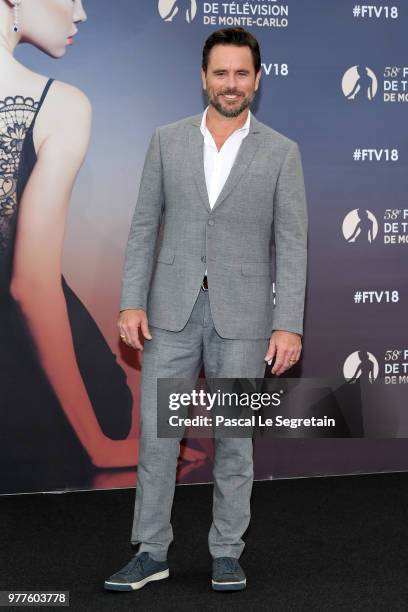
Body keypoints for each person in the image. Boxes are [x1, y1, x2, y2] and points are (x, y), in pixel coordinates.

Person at [105, 27, 308, 592]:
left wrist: (287, 321)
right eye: (221, 72)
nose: (231, 84)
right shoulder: (167, 141)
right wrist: (130, 301)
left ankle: (226, 551)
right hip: (169, 314)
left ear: (257, 80)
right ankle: (150, 551)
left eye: (242, 73)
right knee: (157, 441)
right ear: (203, 78)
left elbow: (292, 242)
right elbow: (144, 226)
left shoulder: (281, 152)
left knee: (234, 440)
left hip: (243, 320)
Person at [0, 0, 137, 493]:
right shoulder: (58, 104)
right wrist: (97, 442)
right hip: (20, 384)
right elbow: (30, 286)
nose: (80, 13)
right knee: (109, 404)